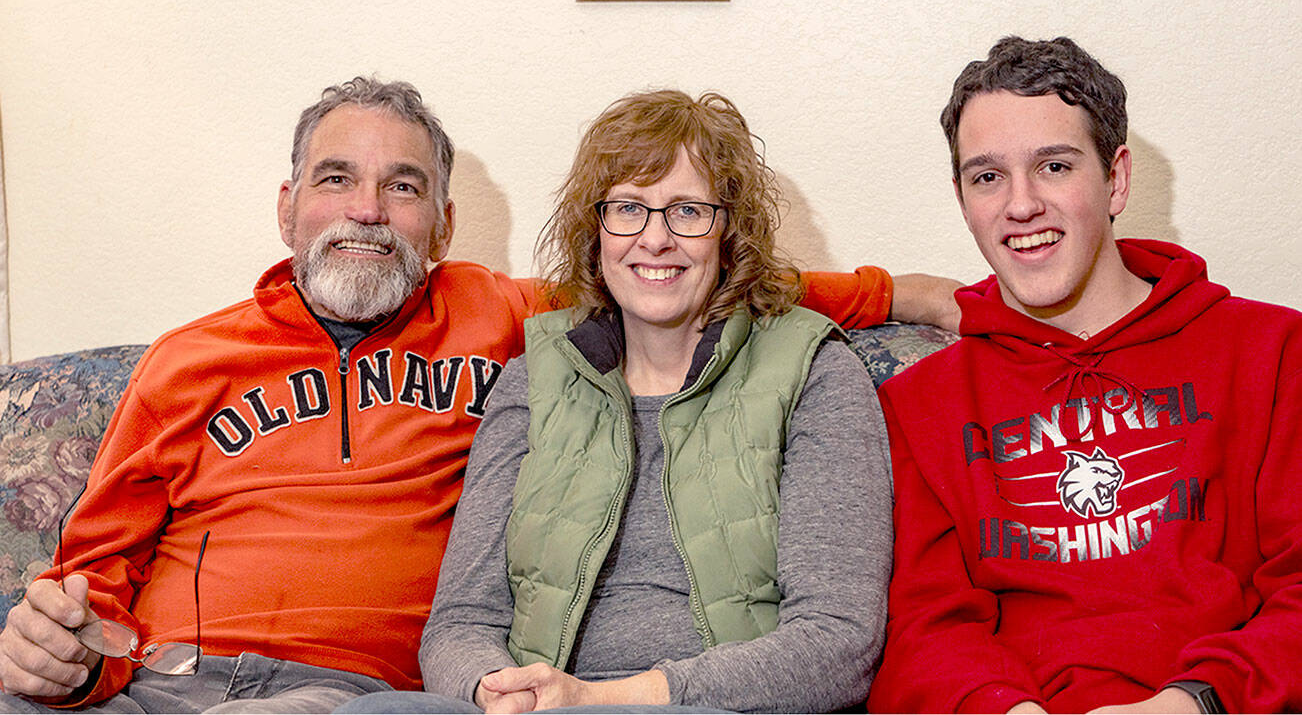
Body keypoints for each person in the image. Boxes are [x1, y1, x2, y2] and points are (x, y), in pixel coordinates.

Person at [0, 78, 954, 713]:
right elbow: (86, 586)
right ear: (288, 203)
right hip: (168, 681)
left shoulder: (498, 319)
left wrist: (898, 294)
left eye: (402, 186)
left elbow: (690, 283)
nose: (368, 210)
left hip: (360, 699)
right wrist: (59, 652)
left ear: (445, 223)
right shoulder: (186, 359)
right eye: (338, 180)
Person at [343, 89, 891, 714]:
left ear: (730, 232)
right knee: (377, 712)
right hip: (537, 709)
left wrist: (601, 698)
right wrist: (500, 692)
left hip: (710, 708)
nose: (654, 240)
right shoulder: (533, 380)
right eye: (629, 209)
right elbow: (461, 621)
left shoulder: (816, 372)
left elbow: (838, 642)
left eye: (687, 211)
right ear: (595, 231)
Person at [867, 37, 1302, 714]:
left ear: (1116, 179)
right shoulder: (917, 405)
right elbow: (925, 629)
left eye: (1054, 166)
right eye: (987, 176)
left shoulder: (1272, 352)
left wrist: (1193, 704)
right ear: (962, 198)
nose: (1021, 205)